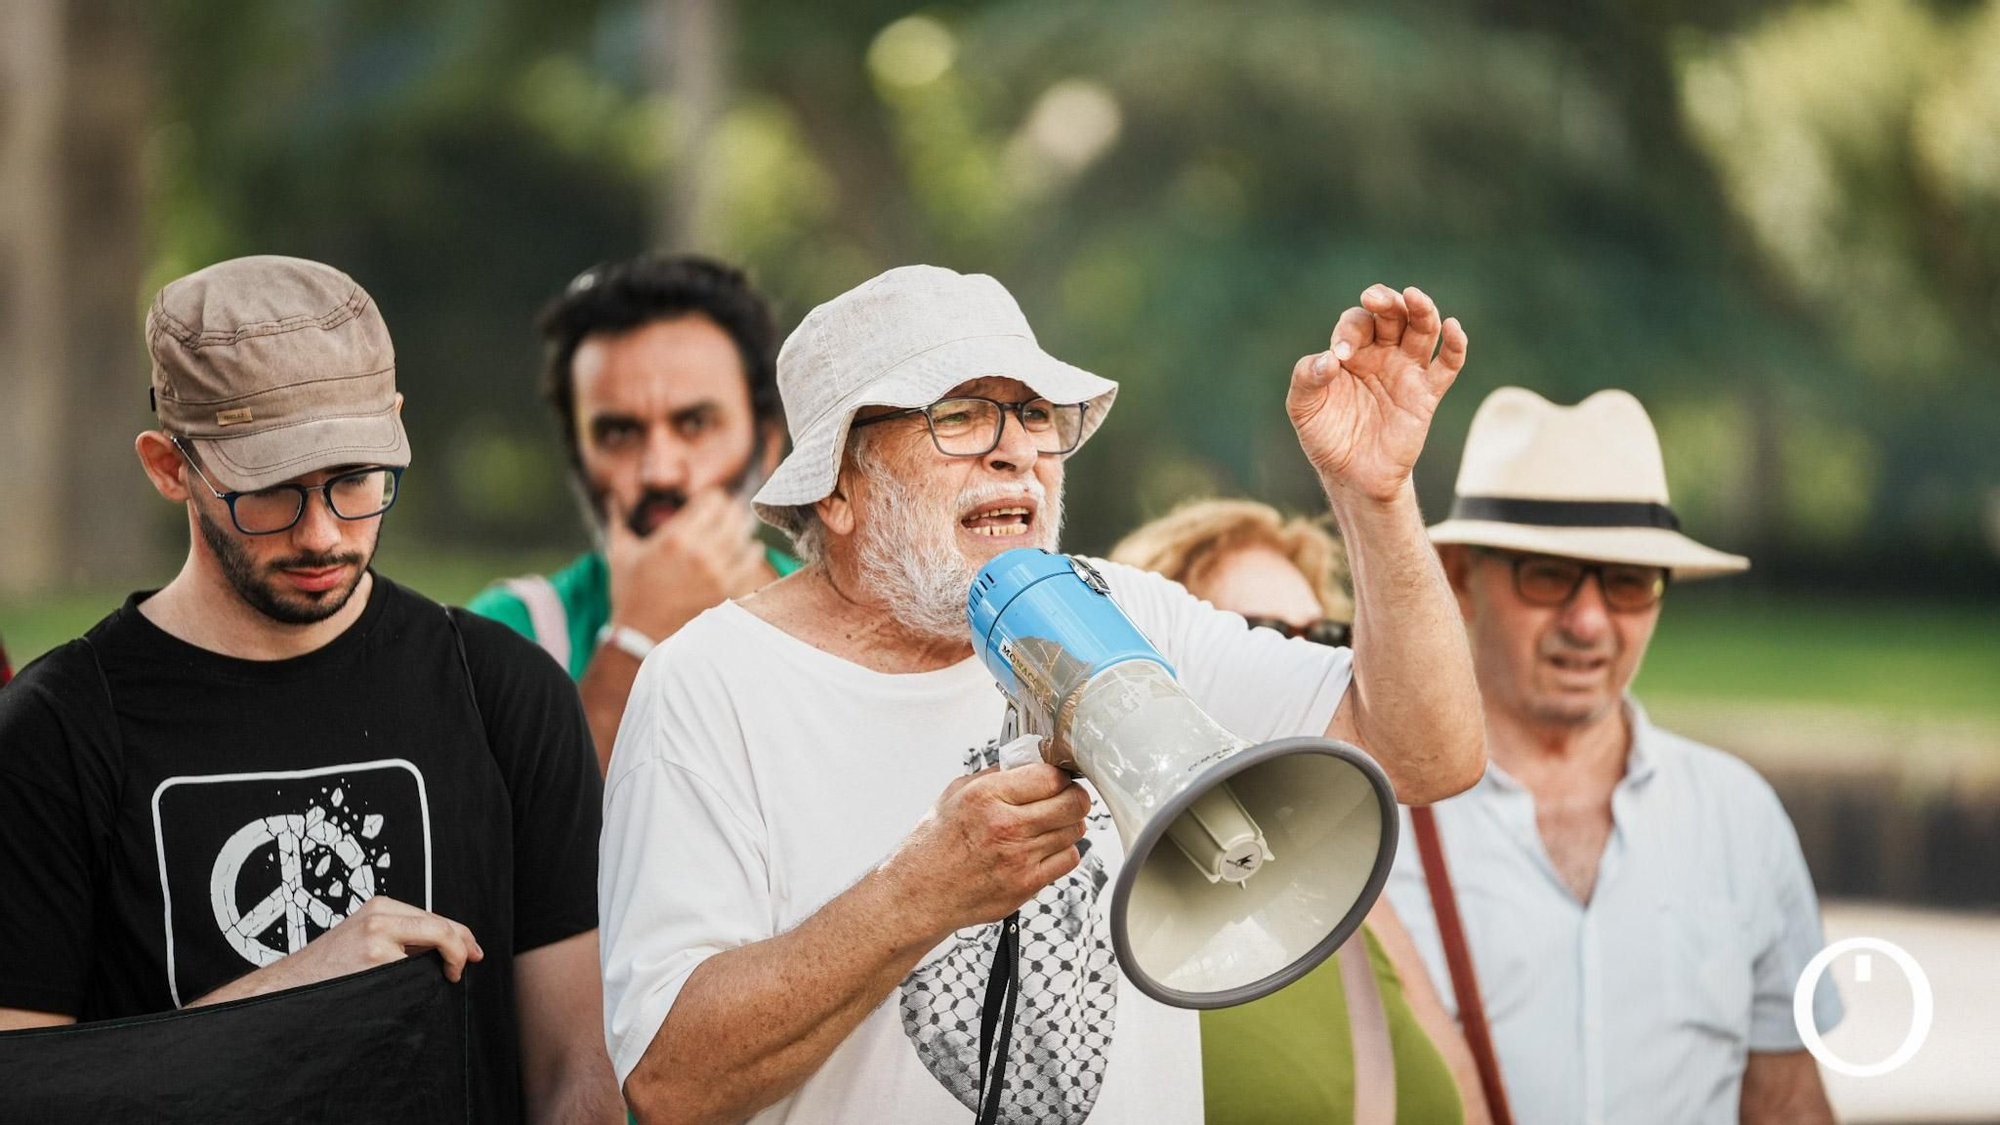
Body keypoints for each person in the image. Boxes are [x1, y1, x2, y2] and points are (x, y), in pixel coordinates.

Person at [598, 265, 1487, 1124]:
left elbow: (1426, 753)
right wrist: (919, 893)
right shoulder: (710, 683)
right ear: (837, 487)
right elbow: (670, 1086)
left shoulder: (1121, 611)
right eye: (961, 415)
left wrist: (1375, 497)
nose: (1017, 448)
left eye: (1032, 414)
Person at [0, 256, 621, 1124]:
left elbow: (576, 1079)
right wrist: (298, 993)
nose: (324, 531)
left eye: (355, 480)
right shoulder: (55, 731)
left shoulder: (505, 694)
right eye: (273, 493)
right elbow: (26, 1096)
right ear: (169, 466)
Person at [1383, 387, 1843, 1125]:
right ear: (1464, 576)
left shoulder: (1739, 816)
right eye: (1548, 573)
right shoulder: (1378, 821)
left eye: (1627, 580)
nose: (1589, 619)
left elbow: (1787, 1100)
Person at [1110, 498, 1489, 1125]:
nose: (1294, 658)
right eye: (1256, 632)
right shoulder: (1110, 892)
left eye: (1323, 638)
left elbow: (1460, 1097)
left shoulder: (1346, 873)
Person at [469, 253, 799, 768]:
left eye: (694, 424)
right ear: (578, 457)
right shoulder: (509, 636)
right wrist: (634, 640)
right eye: (619, 433)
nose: (660, 472)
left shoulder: (845, 622)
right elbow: (510, 844)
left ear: (768, 442)